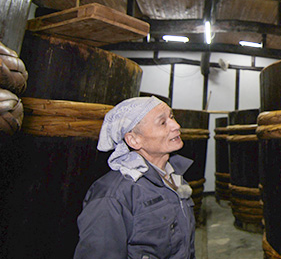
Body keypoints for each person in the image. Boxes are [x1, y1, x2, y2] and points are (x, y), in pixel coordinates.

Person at [74, 96, 196, 259]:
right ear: (134, 139)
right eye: (162, 122)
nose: (176, 126)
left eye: (172, 117)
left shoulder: (174, 178)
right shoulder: (113, 196)